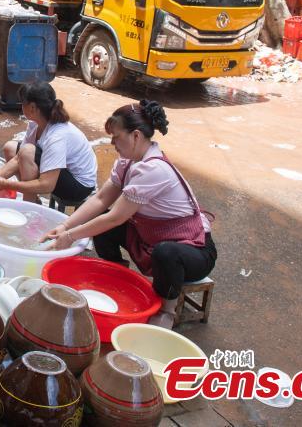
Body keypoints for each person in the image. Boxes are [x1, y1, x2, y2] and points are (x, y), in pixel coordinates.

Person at [41, 101, 216, 329]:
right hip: (150, 236)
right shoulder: (128, 161)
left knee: (165, 252)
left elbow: (116, 217)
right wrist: (65, 227)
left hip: (193, 249)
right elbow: (101, 199)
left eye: (116, 136)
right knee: (101, 221)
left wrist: (71, 236)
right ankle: (117, 276)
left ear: (135, 136)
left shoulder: (154, 169)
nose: (112, 143)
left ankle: (167, 310)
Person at [0, 83, 97, 206]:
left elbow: (47, 185)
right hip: (62, 173)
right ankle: (33, 199)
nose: (21, 107)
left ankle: (29, 208)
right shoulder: (36, 123)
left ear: (32, 107)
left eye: (23, 103)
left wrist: (7, 184)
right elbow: (18, 158)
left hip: (79, 186)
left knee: (27, 152)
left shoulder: (57, 136)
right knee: (10, 148)